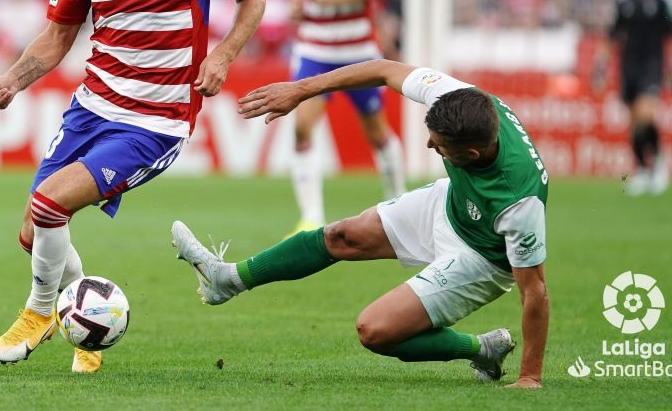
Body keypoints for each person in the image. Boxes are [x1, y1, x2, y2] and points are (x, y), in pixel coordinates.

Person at [0, 0, 265, 373]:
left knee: (49, 205)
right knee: (34, 231)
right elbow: (56, 37)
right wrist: (13, 80)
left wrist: (223, 55)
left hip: (155, 124)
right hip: (91, 109)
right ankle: (86, 335)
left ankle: (38, 312)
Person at [172, 60, 549, 388]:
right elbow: (384, 70)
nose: (429, 146)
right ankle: (227, 279)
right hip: (452, 203)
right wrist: (301, 90)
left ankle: (482, 348)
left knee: (375, 331)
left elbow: (535, 292)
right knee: (341, 235)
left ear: (472, 153)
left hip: (482, 257)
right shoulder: (457, 99)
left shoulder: (519, 202)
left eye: (439, 145)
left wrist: (530, 378)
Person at [285, 0, 404, 235]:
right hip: (314, 48)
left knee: (376, 132)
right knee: (301, 127)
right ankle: (310, 219)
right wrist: (295, 2)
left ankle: (399, 205)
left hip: (357, 49)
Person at [595, 0, 672, 195]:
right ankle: (642, 171)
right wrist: (600, 67)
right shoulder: (623, 3)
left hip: (652, 66)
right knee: (635, 122)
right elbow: (610, 38)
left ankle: (658, 164)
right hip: (628, 68)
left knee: (646, 113)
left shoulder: (661, 2)